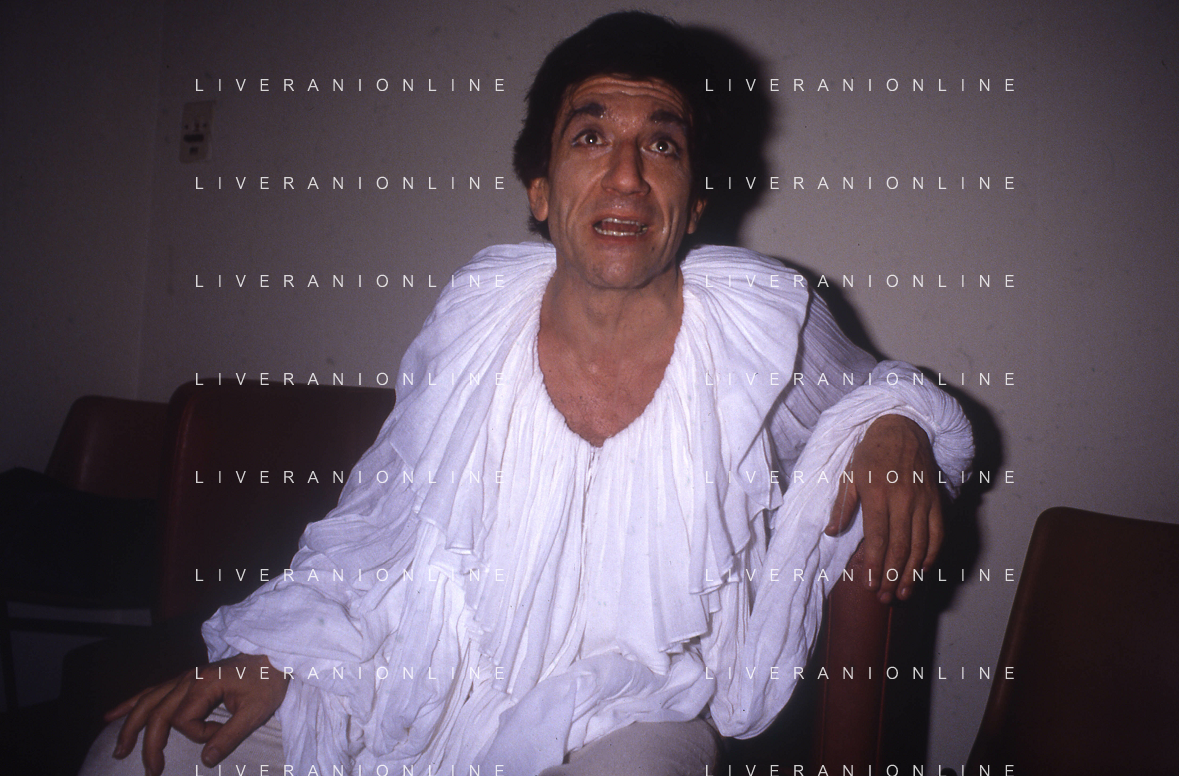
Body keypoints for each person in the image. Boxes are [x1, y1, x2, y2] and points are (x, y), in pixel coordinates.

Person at [82, 12, 973, 776]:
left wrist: (895, 423)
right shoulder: (479, 308)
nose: (625, 175)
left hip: (630, 708)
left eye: (661, 144)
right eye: (590, 137)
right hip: (416, 671)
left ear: (694, 203)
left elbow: (882, 393)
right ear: (540, 193)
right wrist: (279, 655)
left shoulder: (763, 319)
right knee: (134, 758)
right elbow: (380, 520)